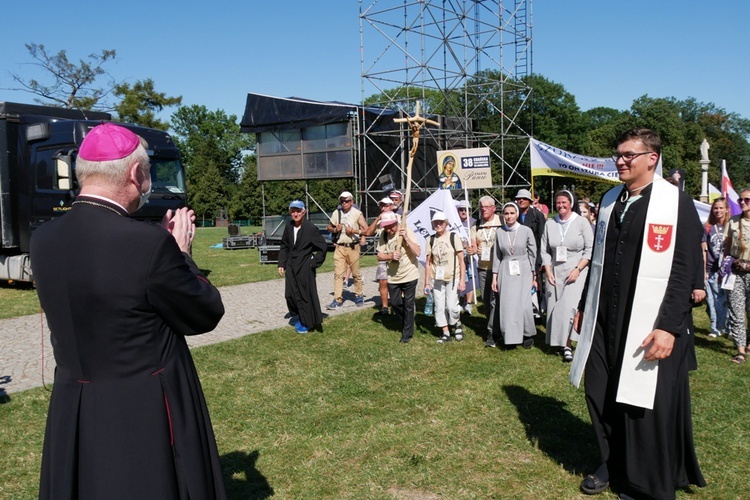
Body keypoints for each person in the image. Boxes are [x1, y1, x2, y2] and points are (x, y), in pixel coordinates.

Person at [30, 123, 227, 499]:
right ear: (136, 173)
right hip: (141, 410)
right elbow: (205, 312)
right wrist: (182, 254)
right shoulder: (147, 242)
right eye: (149, 172)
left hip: (74, 404)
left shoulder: (43, 238)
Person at [571, 128, 705, 499]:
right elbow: (597, 261)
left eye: (629, 155)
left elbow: (683, 267)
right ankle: (609, 462)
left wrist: (668, 326)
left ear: (652, 158)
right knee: (598, 391)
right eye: (618, 154)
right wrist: (584, 306)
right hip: (604, 315)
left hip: (647, 318)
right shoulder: (609, 199)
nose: (620, 161)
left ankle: (644, 479)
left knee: (641, 400)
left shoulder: (673, 201)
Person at [541, 190, 593, 362]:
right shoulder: (550, 224)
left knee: (569, 306)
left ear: (571, 203)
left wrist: (578, 269)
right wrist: (548, 270)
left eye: (564, 202)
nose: (561, 205)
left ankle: (568, 345)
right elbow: (545, 250)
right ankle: (558, 340)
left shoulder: (581, 222)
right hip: (556, 269)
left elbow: (590, 249)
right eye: (558, 203)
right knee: (555, 306)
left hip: (576, 269)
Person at [491, 202, 537, 348]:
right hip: (506, 268)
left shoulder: (526, 230)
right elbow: (497, 255)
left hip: (523, 268)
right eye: (506, 213)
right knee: (508, 304)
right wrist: (494, 276)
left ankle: (527, 333)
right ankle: (510, 337)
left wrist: (533, 274)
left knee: (523, 304)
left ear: (517, 214)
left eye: (512, 213)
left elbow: (532, 253)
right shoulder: (500, 232)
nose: (509, 216)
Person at [278, 200, 328, 334]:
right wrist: (281, 263)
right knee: (290, 294)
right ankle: (299, 314)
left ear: (303, 212)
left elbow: (323, 247)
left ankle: (306, 322)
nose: (295, 214)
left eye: (298, 211)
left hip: (305, 266)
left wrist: (314, 263)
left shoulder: (311, 228)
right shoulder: (289, 226)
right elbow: (284, 245)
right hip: (291, 265)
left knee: (304, 295)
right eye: (293, 211)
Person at [376, 212, 422, 343]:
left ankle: (406, 333)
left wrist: (406, 238)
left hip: (409, 274)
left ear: (396, 223)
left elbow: (418, 252)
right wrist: (390, 256)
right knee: (395, 303)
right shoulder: (384, 235)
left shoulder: (406, 231)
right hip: (393, 276)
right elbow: (379, 256)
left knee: (408, 304)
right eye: (386, 227)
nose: (389, 230)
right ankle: (408, 321)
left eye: (391, 226)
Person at [424, 211, 466, 343]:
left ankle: (457, 324)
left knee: (452, 306)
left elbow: (461, 260)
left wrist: (463, 280)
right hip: (437, 278)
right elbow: (428, 263)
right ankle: (445, 332)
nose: (438, 225)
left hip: (453, 276)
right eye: (435, 223)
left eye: (441, 222)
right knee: (439, 306)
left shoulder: (454, 237)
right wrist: (426, 283)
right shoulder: (430, 240)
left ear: (446, 223)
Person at [469, 196, 503, 347]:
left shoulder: (501, 222)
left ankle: (493, 331)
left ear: (494, 208)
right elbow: (473, 245)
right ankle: (493, 328)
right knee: (487, 301)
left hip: (499, 269)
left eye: (487, 207)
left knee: (496, 301)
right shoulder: (476, 225)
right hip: (483, 268)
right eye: (481, 207)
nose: (484, 209)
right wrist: (471, 249)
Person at [326, 191, 368, 309]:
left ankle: (359, 295)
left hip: (353, 247)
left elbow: (367, 229)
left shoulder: (357, 213)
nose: (344, 203)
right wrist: (335, 229)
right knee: (338, 274)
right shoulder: (336, 213)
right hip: (339, 247)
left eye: (347, 201)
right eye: (342, 201)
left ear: (352, 201)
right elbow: (328, 227)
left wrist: (354, 231)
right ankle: (337, 299)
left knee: (356, 274)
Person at [723, 188, 750, 363]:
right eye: (740, 200)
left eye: (746, 200)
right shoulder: (732, 222)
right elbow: (726, 247)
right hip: (736, 270)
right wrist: (724, 269)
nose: (742, 202)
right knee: (736, 310)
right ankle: (740, 349)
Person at [364, 197, 398, 315]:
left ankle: (397, 304)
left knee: (398, 281)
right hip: (383, 253)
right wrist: (378, 219)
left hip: (396, 253)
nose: (383, 208)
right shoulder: (379, 221)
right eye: (382, 205)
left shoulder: (397, 218)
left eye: (386, 205)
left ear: (391, 206)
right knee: (382, 281)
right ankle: (384, 307)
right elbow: (368, 232)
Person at [704, 197, 729, 339]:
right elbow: (703, 250)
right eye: (715, 208)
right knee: (712, 300)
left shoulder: (731, 226)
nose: (718, 210)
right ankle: (716, 327)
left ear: (726, 209)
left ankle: (727, 327)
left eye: (721, 208)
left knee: (725, 300)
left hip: (727, 270)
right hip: (711, 269)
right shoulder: (707, 227)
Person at [456, 199, 476, 314]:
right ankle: (461, 300)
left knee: (470, 276)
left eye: (466, 210)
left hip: (469, 253)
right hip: (459, 253)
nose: (463, 212)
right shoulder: (454, 221)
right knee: (461, 277)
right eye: (461, 210)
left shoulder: (473, 222)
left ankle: (468, 303)